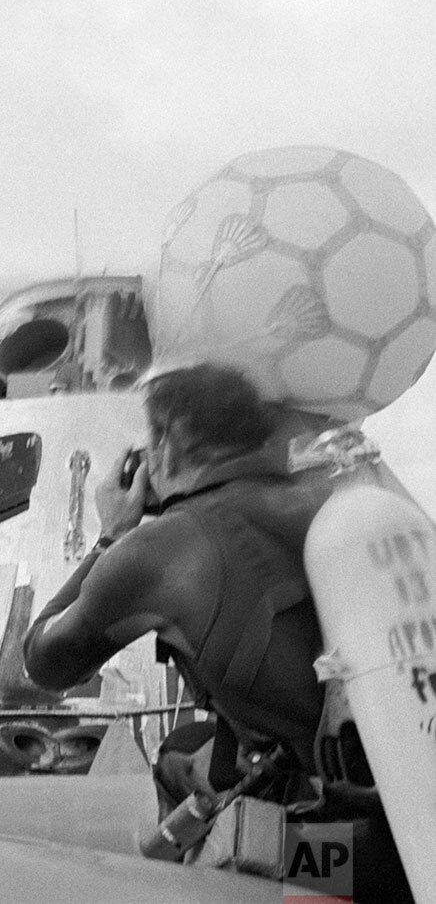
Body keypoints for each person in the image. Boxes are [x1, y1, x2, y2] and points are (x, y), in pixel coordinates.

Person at [22, 363, 410, 900]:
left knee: (217, 840)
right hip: (409, 824)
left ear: (166, 440)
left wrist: (112, 536)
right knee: (186, 748)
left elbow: (44, 660)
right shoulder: (338, 500)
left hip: (354, 860)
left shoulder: (161, 551)